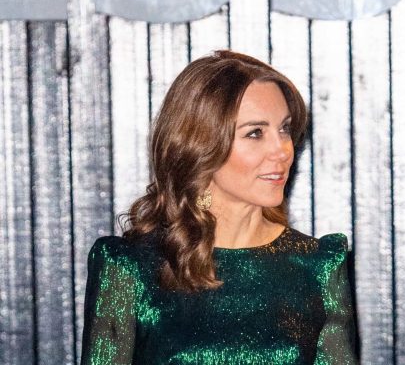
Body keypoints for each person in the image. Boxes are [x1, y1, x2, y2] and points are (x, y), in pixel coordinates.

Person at [80, 50, 357, 365]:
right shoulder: (129, 268)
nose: (282, 150)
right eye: (255, 133)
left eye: (284, 129)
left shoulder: (318, 266)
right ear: (200, 146)